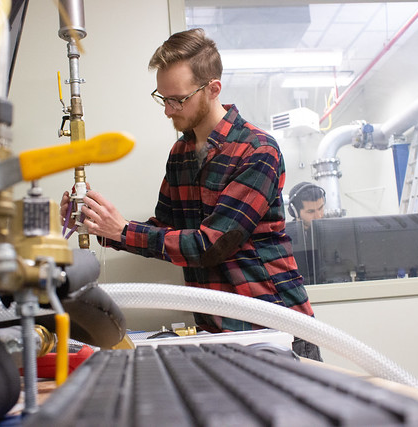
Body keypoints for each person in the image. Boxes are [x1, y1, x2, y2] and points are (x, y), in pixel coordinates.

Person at [61, 28, 321, 361]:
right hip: (218, 332)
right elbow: (164, 230)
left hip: (276, 327)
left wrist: (122, 230)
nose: (168, 110)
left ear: (213, 89)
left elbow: (210, 245)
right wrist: (101, 224)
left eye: (178, 100)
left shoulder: (257, 151)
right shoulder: (181, 152)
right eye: (162, 98)